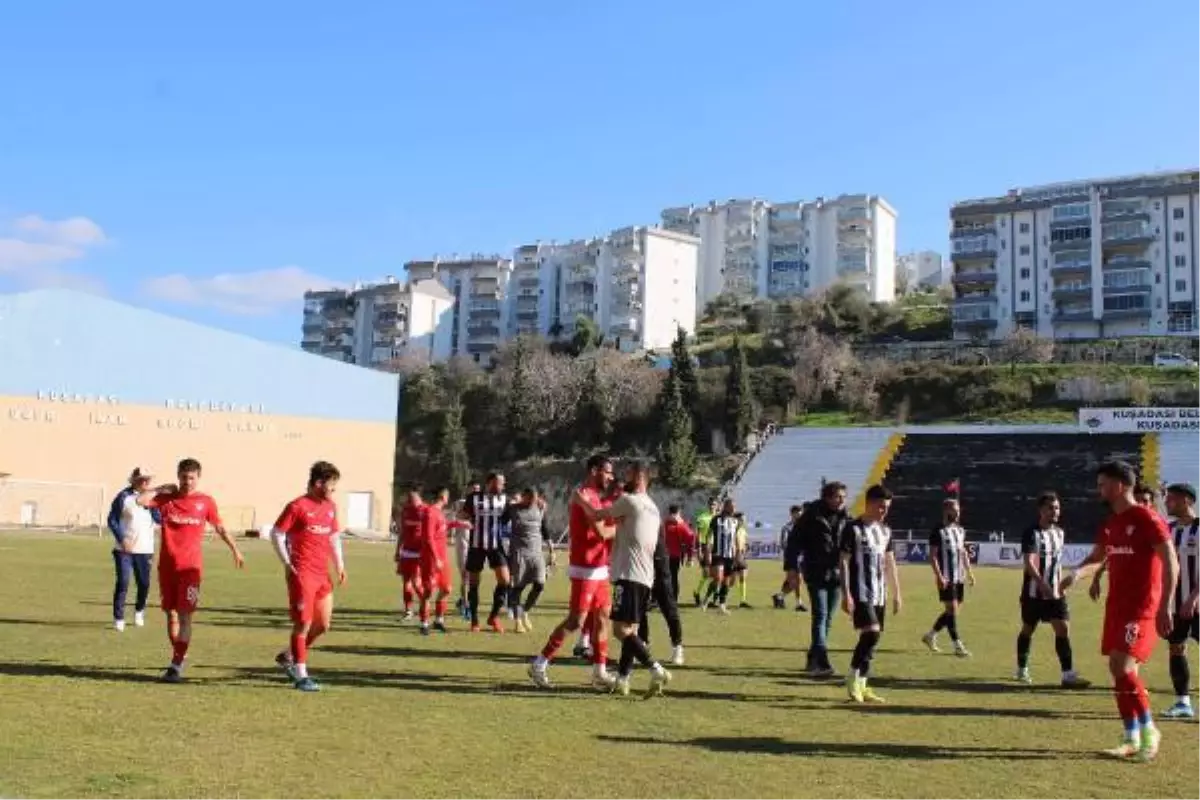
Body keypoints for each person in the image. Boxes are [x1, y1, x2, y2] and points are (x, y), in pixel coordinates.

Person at [1060, 461, 1178, 761]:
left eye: (1103, 484)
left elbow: (1171, 561)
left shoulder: (1147, 518)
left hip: (1142, 609)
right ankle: (1131, 736)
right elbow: (1097, 558)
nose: (1099, 489)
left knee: (1123, 667)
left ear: (1121, 485)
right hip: (1117, 608)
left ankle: (1150, 731)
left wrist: (1166, 605)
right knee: (1118, 671)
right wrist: (1076, 575)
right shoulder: (1111, 523)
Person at [136, 458, 244, 683]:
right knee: (171, 614)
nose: (188, 482)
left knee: (185, 616)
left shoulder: (205, 502)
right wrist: (161, 488)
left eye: (192, 478)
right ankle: (180, 656)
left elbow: (220, 527)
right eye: (184, 477)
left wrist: (235, 549)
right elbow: (140, 499)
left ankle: (175, 665)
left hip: (190, 569)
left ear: (198, 478)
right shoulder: (167, 499)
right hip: (167, 568)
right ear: (178, 476)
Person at [528, 454, 616, 690]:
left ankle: (599, 671)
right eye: (608, 472)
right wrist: (624, 526)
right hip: (585, 569)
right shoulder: (584, 496)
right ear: (595, 470)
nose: (611, 477)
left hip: (600, 569)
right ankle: (540, 663)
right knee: (576, 620)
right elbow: (601, 533)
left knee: (603, 617)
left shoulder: (595, 497)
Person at [588, 462, 672, 697]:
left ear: (640, 477)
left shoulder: (629, 501)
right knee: (631, 631)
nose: (623, 479)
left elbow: (597, 515)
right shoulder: (653, 508)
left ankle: (656, 669)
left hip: (628, 575)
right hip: (646, 577)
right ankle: (623, 679)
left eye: (628, 475)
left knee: (620, 630)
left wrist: (579, 500)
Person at [270, 461, 346, 692]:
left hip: (322, 574)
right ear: (318, 483)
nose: (333, 492)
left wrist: (340, 564)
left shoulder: (331, 506)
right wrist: (286, 561)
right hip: (301, 573)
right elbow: (277, 533)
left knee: (322, 624)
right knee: (303, 623)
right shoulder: (297, 506)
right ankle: (301, 674)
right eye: (331, 486)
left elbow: (333, 537)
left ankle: (289, 656)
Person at [1014, 491, 1090, 688]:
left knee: (1063, 629)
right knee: (1028, 629)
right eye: (1050, 507)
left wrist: (1059, 585)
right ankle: (1022, 668)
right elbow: (1029, 564)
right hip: (1034, 593)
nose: (1055, 511)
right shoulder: (1032, 533)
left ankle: (1067, 675)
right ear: (1041, 510)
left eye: (1057, 507)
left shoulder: (1059, 533)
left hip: (1055, 593)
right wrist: (1042, 585)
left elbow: (1056, 563)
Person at [840, 484, 901, 703]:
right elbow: (844, 562)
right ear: (870, 503)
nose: (884, 511)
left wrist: (897, 593)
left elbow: (890, 562)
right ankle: (852, 676)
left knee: (873, 641)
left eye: (887, 508)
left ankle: (863, 685)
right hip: (860, 592)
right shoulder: (853, 528)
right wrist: (846, 593)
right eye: (881, 506)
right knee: (871, 633)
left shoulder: (885, 531)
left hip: (879, 593)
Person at [784, 481, 850, 676]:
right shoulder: (810, 516)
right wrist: (791, 568)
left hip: (837, 575)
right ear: (827, 497)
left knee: (828, 619)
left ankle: (813, 658)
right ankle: (822, 661)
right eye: (838, 496)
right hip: (815, 572)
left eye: (844, 497)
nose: (842, 501)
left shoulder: (846, 518)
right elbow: (793, 543)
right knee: (820, 616)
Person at [1158, 483, 1200, 719]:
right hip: (1175, 603)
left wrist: (1194, 597)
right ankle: (1183, 702)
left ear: (1187, 501)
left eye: (1172, 499)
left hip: (1196, 602)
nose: (1167, 503)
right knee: (1176, 648)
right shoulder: (1169, 530)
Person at [107, 468, 159, 631]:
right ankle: (119, 617)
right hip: (124, 550)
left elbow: (159, 518)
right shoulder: (123, 497)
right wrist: (122, 539)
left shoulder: (152, 498)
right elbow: (112, 520)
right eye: (142, 479)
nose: (145, 482)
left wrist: (160, 523)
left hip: (145, 549)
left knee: (144, 583)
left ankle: (139, 610)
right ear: (134, 479)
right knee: (123, 581)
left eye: (148, 479)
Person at [922, 498, 975, 657]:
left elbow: (963, 552)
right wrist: (939, 576)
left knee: (953, 610)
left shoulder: (960, 530)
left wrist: (970, 572)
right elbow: (932, 556)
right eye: (954, 510)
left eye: (959, 510)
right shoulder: (937, 531)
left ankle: (930, 636)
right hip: (946, 577)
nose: (958, 513)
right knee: (951, 609)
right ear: (946, 511)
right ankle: (957, 645)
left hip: (959, 577)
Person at [461, 473, 513, 633]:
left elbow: (506, 519)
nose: (503, 486)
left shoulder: (505, 500)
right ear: (490, 483)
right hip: (476, 546)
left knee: (505, 580)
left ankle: (493, 617)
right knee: (474, 583)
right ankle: (475, 620)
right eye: (500, 483)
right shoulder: (473, 498)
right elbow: (464, 515)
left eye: (503, 484)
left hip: (496, 546)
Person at [638, 501, 686, 667]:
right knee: (640, 609)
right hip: (642, 567)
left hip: (659, 566)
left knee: (669, 608)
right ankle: (643, 643)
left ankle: (677, 646)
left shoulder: (655, 522)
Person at [419, 487, 469, 635]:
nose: (449, 499)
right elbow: (428, 538)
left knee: (446, 589)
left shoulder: (439, 513)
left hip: (443, 559)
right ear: (443, 496)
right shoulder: (430, 512)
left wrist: (460, 524)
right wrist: (436, 559)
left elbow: (444, 527)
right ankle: (424, 623)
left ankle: (439, 620)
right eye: (448, 496)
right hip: (431, 559)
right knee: (428, 592)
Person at [506, 487, 549, 633]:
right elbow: (500, 523)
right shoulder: (512, 509)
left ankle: (525, 611)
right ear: (523, 497)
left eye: (535, 498)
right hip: (520, 552)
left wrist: (551, 548)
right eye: (530, 498)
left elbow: (544, 528)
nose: (533, 501)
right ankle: (518, 621)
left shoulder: (540, 508)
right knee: (518, 587)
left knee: (540, 584)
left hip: (537, 553)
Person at [700, 499, 739, 613]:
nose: (733, 509)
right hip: (717, 553)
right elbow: (708, 535)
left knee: (726, 580)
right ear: (726, 507)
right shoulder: (716, 519)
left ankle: (722, 605)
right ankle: (706, 600)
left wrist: (736, 555)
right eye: (731, 507)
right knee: (718, 578)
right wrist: (707, 552)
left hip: (730, 555)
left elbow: (735, 539)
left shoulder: (735, 521)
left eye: (734, 507)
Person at [395, 484, 426, 621]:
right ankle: (408, 611)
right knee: (406, 583)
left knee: (416, 583)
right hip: (406, 552)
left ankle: (425, 606)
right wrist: (397, 550)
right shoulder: (406, 510)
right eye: (408, 496)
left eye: (412, 497)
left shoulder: (425, 511)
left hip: (420, 553)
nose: (409, 499)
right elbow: (402, 532)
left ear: (419, 497)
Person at [773, 506, 807, 611]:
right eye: (798, 513)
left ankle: (780, 597)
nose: (800, 515)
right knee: (796, 580)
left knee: (794, 580)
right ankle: (797, 602)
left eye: (801, 513)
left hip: (801, 557)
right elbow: (783, 543)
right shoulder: (787, 528)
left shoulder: (804, 527)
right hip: (791, 557)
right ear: (792, 514)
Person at [454, 483, 480, 618]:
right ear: (468, 490)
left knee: (473, 577)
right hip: (463, 544)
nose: (476, 492)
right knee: (465, 576)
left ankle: (463, 601)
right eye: (473, 489)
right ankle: (465, 604)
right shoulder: (461, 503)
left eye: (478, 490)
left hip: (476, 545)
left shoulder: (481, 505)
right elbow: (461, 515)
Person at [662, 505, 695, 603]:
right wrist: (690, 557)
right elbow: (691, 539)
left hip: (668, 556)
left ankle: (669, 599)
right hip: (673, 556)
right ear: (679, 512)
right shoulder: (680, 525)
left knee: (668, 577)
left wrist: (690, 557)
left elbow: (690, 539)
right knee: (671, 577)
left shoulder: (666, 524)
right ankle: (671, 599)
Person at [692, 499, 718, 606]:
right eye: (711, 504)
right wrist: (698, 550)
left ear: (717, 506)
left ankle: (713, 600)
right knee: (707, 574)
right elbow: (697, 535)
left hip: (716, 548)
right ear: (708, 505)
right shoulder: (702, 517)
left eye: (714, 504)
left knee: (717, 574)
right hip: (704, 547)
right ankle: (697, 593)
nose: (712, 506)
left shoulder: (719, 518)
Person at [731, 512, 752, 609]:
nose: (743, 521)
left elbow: (745, 542)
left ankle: (742, 601)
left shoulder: (743, 530)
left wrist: (746, 547)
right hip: (733, 557)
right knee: (731, 581)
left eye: (744, 519)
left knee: (743, 577)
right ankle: (719, 598)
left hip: (741, 556)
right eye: (742, 519)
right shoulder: (731, 530)